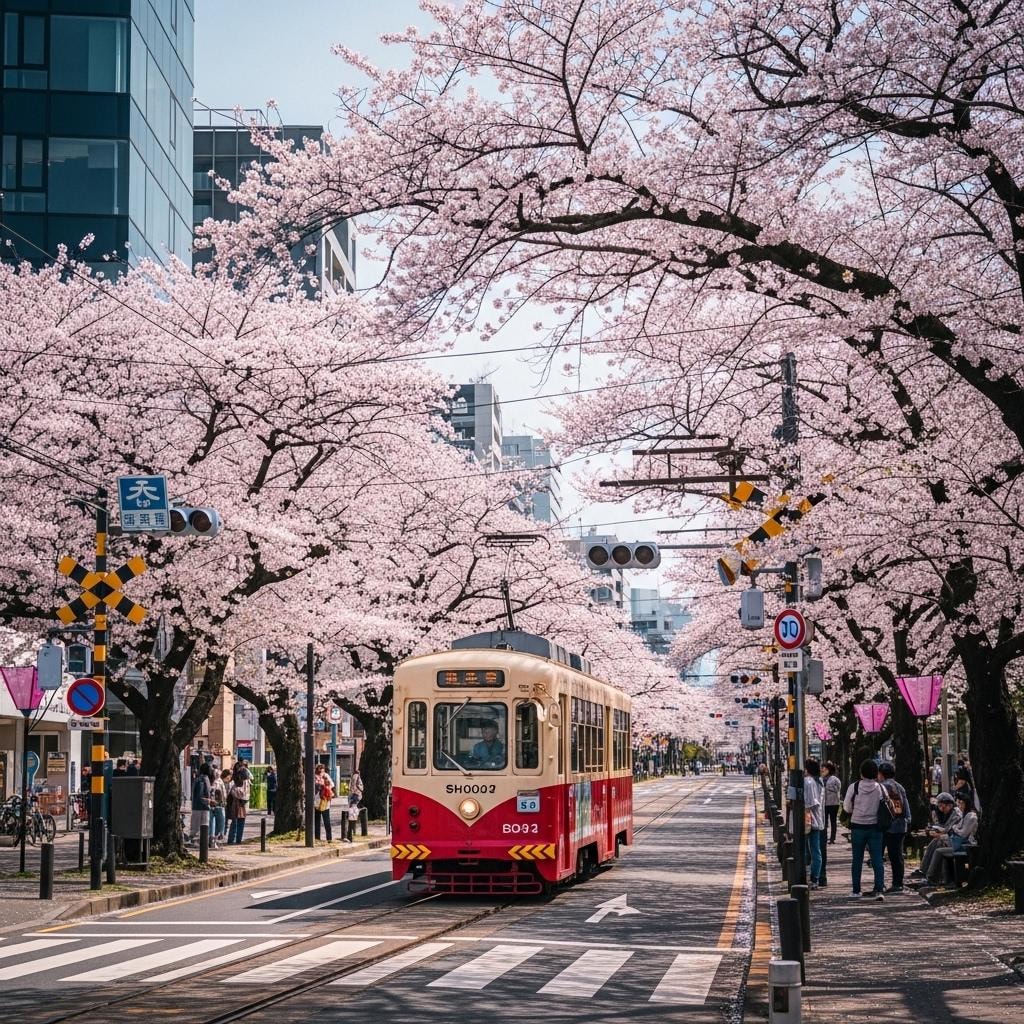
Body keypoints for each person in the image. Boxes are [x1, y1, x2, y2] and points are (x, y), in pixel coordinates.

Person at [843, 758, 887, 901]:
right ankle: (879, 889)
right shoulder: (880, 787)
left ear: (861, 772)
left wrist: (855, 811)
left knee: (857, 858)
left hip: (857, 826)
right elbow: (885, 805)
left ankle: (856, 890)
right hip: (875, 827)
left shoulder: (854, 787)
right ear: (876, 773)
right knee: (877, 859)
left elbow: (846, 807)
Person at [916, 794, 979, 886]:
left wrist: (954, 828)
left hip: (965, 845)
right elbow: (955, 829)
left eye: (961, 803)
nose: (959, 805)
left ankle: (931, 877)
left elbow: (963, 833)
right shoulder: (965, 815)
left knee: (939, 848)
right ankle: (925, 871)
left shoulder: (971, 816)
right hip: (958, 841)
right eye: (959, 803)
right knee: (937, 841)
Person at [878, 762, 911, 893]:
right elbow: (906, 807)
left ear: (881, 774)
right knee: (897, 855)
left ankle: (882, 884)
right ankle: (898, 883)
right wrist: (907, 819)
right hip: (901, 824)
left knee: (880, 854)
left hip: (888, 826)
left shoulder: (883, 787)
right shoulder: (899, 786)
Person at [803, 758, 826, 888]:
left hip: (808, 819)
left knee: (811, 850)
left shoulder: (809, 781)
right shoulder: (819, 781)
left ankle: (813, 878)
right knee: (815, 850)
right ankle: (815, 878)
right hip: (817, 820)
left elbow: (810, 802)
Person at [226, 766, 250, 844]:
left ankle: (236, 840)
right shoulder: (235, 783)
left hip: (240, 803)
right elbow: (241, 793)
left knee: (239, 822)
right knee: (236, 822)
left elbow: (242, 793)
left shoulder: (243, 782)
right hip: (236, 804)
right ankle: (233, 839)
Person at [189, 763, 212, 844]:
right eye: (210, 768)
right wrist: (209, 801)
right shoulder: (202, 780)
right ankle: (196, 841)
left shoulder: (204, 779)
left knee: (202, 826)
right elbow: (200, 796)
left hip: (202, 807)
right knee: (200, 826)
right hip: (201, 807)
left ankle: (199, 841)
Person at [822, 761, 842, 844]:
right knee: (824, 821)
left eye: (825, 769)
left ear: (829, 770)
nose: (823, 770)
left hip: (834, 803)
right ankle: (824, 837)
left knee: (833, 821)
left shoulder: (835, 779)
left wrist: (829, 789)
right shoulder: (821, 778)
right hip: (824, 803)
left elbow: (838, 788)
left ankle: (832, 838)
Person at [313, 763, 334, 841]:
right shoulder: (321, 776)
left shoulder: (324, 776)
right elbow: (332, 785)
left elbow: (331, 785)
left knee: (324, 821)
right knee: (321, 821)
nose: (321, 772)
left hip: (322, 801)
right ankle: (321, 838)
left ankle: (326, 838)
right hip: (320, 801)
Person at [344, 768, 364, 843]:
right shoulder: (357, 776)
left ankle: (350, 835)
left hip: (354, 796)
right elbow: (358, 786)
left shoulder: (354, 776)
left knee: (352, 816)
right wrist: (360, 791)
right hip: (356, 795)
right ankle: (350, 835)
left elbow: (353, 786)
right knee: (353, 816)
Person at [209, 767, 227, 845]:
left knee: (217, 822)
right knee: (217, 822)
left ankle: (216, 837)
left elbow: (223, 793)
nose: (217, 774)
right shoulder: (214, 781)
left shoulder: (218, 781)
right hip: (215, 804)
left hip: (218, 804)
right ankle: (213, 838)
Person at [221, 769, 237, 841]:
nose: (230, 777)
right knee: (223, 819)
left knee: (226, 819)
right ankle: (222, 834)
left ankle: (223, 834)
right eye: (229, 776)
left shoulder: (231, 783)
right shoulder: (221, 782)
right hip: (223, 803)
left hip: (228, 803)